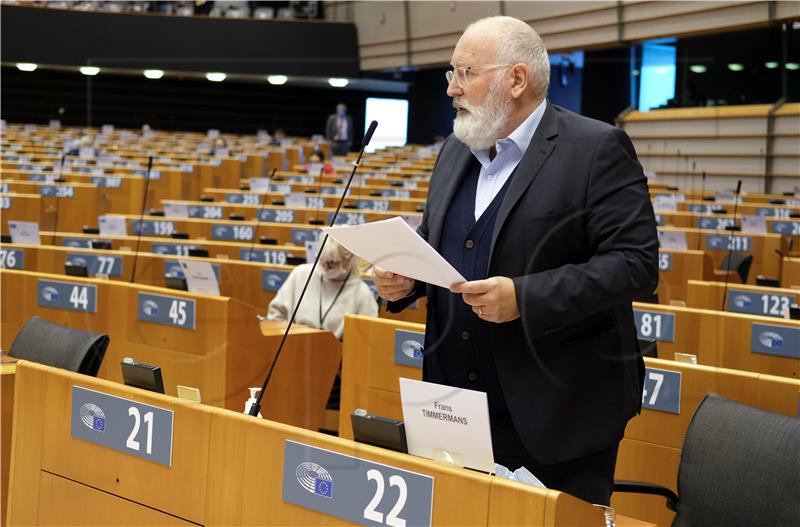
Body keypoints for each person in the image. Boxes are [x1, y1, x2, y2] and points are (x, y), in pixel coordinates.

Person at [373, 16, 658, 506]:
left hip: (557, 413)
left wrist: (524, 297)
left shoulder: (595, 148)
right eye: (450, 74)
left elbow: (635, 264)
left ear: (516, 79)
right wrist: (406, 279)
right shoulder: (454, 151)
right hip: (452, 406)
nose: (451, 89)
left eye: (464, 73)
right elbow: (443, 242)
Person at [268, 238, 378, 340]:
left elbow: (366, 338)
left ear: (349, 260)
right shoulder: (301, 274)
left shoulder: (361, 292)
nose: (325, 267)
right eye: (322, 260)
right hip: (294, 346)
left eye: (332, 263)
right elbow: (276, 314)